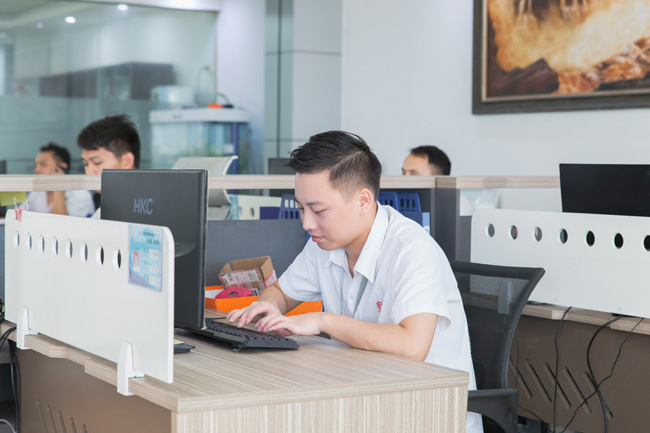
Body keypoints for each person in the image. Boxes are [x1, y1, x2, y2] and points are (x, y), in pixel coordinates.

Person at [228, 131, 483, 433]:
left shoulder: (412, 250)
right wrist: (268, 307)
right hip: (366, 395)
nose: (307, 223)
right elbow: (281, 292)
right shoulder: (324, 243)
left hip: (426, 412)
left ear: (363, 200)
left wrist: (322, 321)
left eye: (318, 210)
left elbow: (412, 346)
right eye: (301, 208)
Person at [77, 114, 140, 215]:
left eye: (97, 162)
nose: (88, 172)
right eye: (86, 163)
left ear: (127, 161)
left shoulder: (152, 209)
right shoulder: (101, 212)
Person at [402, 145, 475, 215]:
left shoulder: (458, 205)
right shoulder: (402, 203)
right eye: (404, 173)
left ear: (438, 176)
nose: (405, 179)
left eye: (413, 174)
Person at [27, 143, 95, 217]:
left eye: (43, 165)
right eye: (35, 166)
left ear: (62, 168)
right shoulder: (36, 193)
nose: (36, 170)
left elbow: (59, 223)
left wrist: (58, 188)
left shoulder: (81, 195)